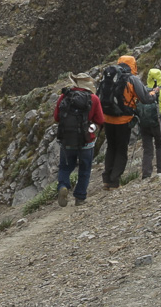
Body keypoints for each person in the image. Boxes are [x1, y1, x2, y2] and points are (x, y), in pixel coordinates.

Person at [51, 73, 104, 204]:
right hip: (86, 140)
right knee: (85, 169)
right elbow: (100, 120)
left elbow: (57, 117)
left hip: (67, 140)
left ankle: (63, 186)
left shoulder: (64, 96)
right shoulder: (94, 98)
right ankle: (80, 197)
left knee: (65, 167)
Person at [95, 55, 140, 189]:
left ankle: (106, 179)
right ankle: (115, 181)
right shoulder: (131, 79)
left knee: (111, 147)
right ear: (132, 65)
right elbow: (143, 97)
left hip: (107, 118)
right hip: (123, 120)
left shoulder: (110, 76)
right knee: (121, 149)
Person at [137, 68, 161, 180]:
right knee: (159, 145)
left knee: (147, 149)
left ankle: (146, 173)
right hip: (158, 124)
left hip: (143, 125)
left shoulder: (141, 91)